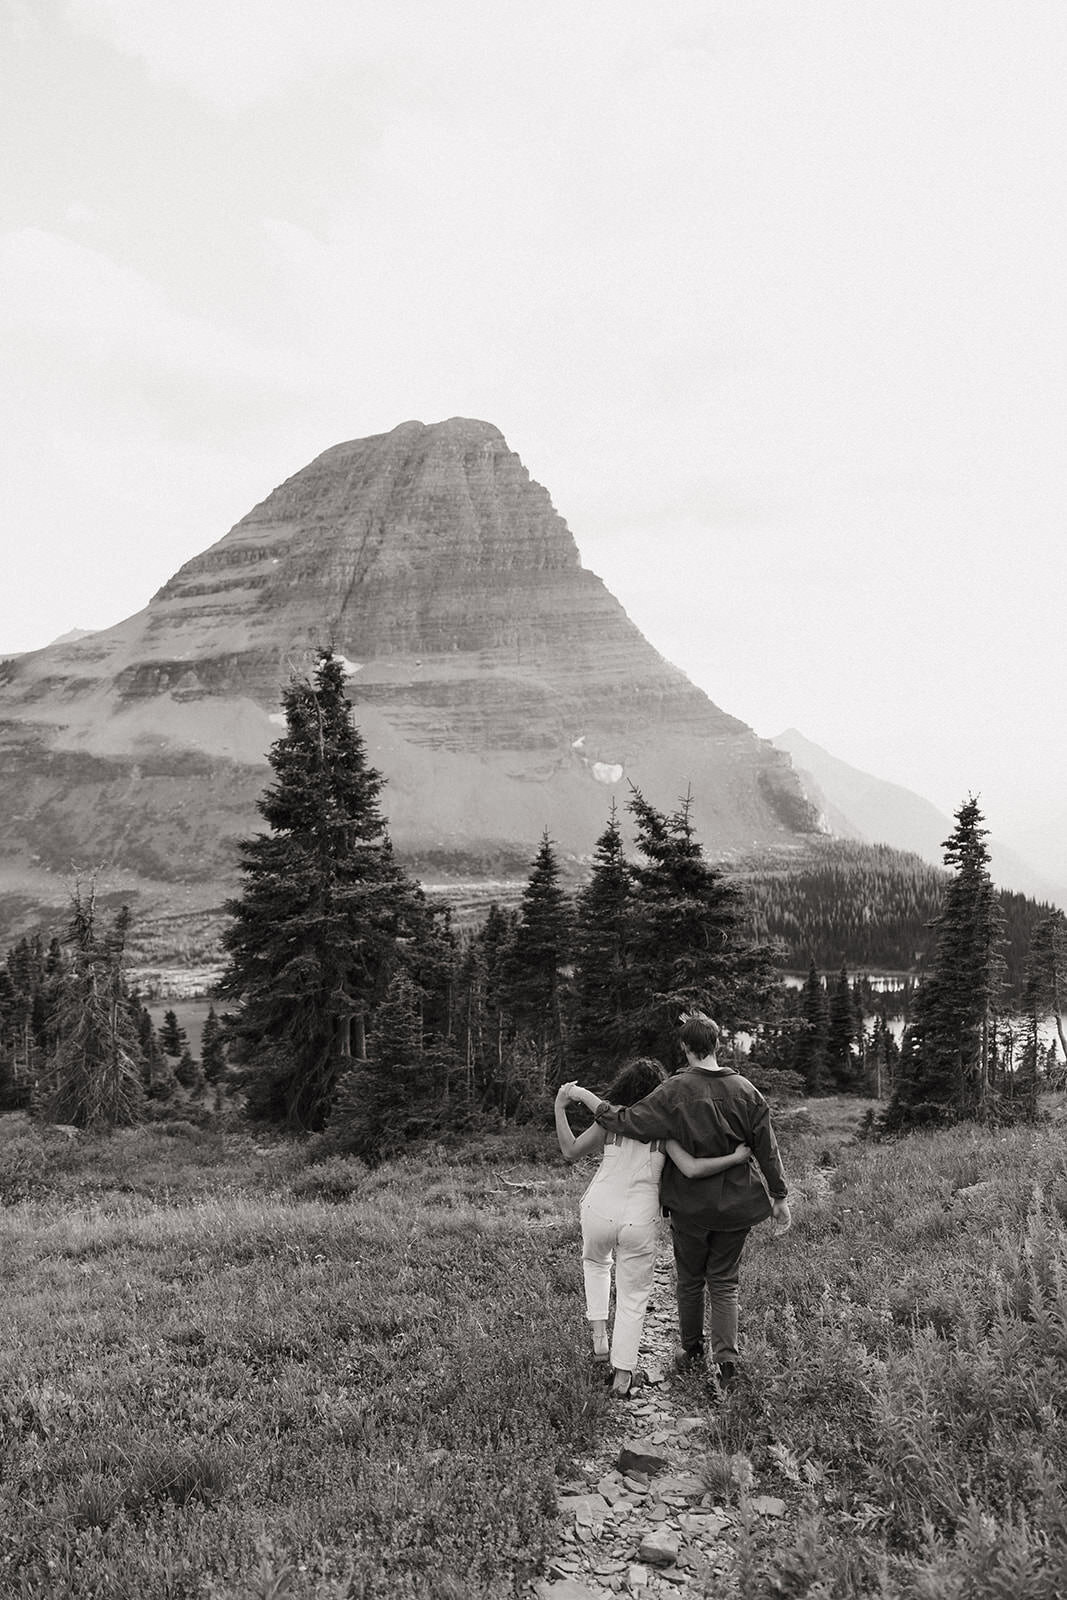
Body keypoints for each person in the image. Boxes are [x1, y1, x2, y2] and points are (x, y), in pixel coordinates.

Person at [561, 1013, 790, 1395]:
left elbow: (627, 1118)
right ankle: (727, 1364)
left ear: (685, 1048)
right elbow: (767, 1146)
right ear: (718, 1044)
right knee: (724, 1282)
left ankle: (691, 1349)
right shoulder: (748, 1091)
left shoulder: (673, 1090)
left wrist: (586, 1099)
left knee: (690, 1280)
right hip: (737, 1205)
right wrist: (779, 1195)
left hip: (690, 1206)